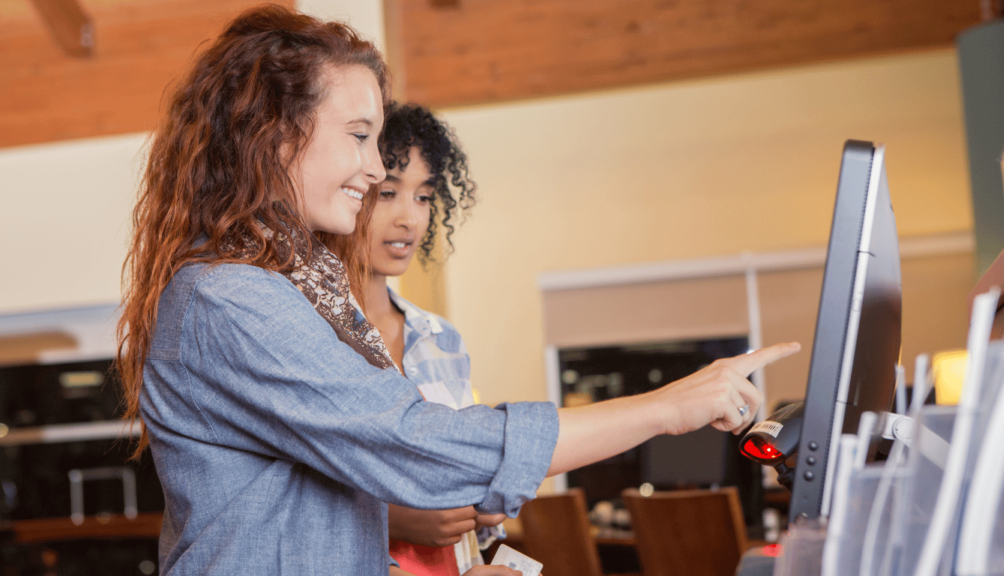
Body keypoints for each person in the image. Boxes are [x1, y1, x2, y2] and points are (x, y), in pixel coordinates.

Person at [116, 6, 799, 575]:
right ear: (273, 135)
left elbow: (303, 531)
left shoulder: (298, 290)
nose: (374, 167)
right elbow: (419, 446)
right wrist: (664, 408)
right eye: (358, 136)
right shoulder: (228, 299)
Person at [338, 102, 499, 575]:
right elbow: (293, 493)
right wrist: (391, 518)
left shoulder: (442, 339)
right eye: (387, 193)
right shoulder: (312, 334)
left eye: (424, 197)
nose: (410, 218)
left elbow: (461, 470)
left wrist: (485, 501)